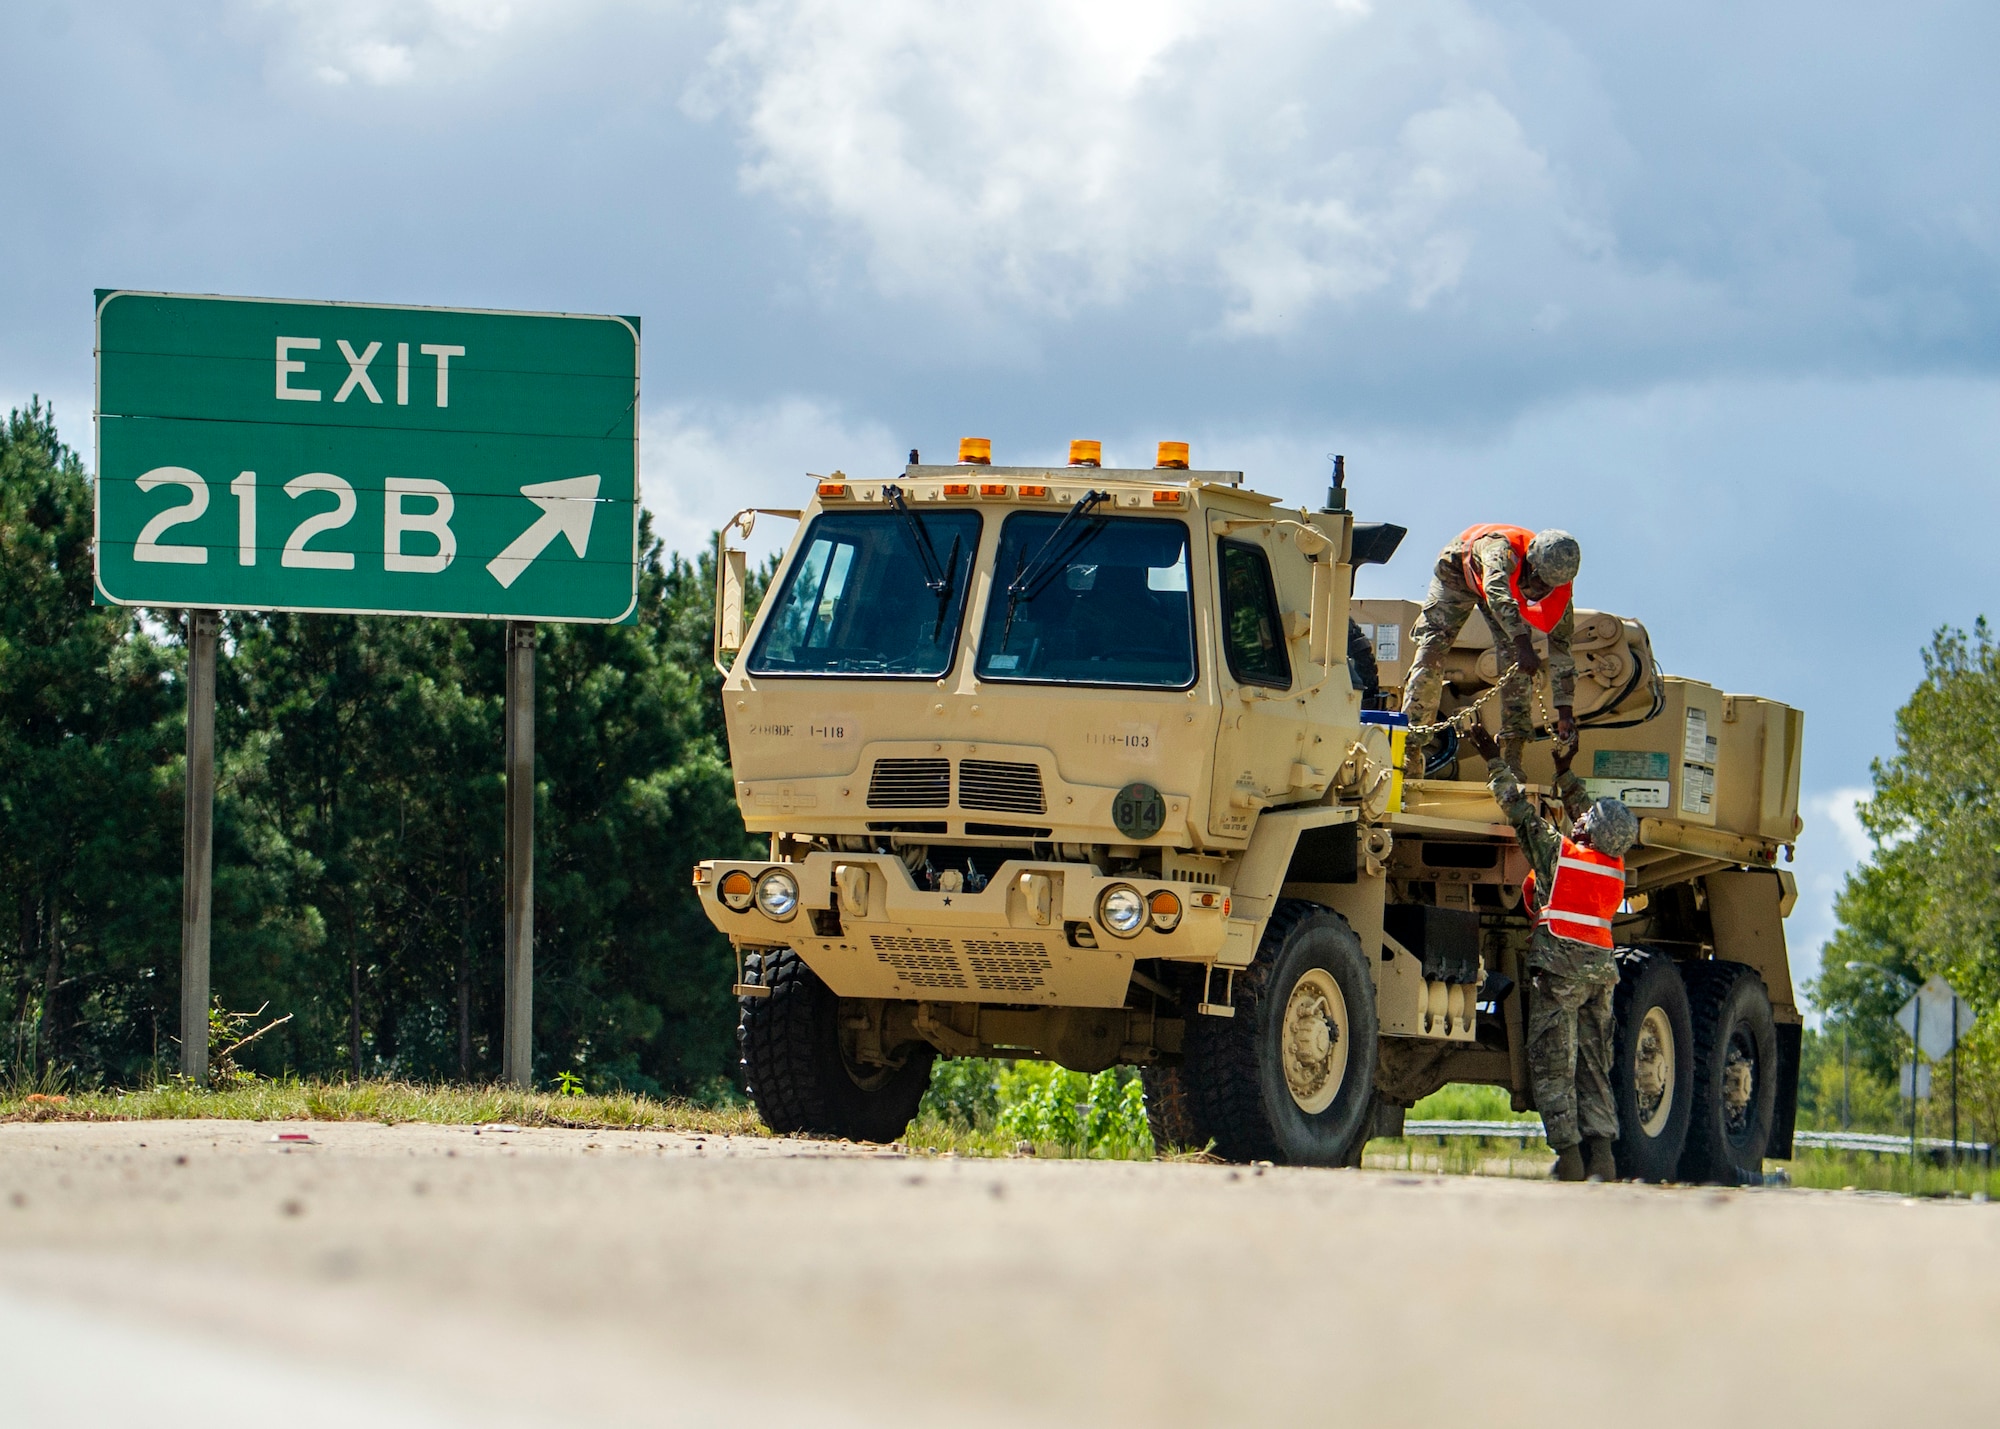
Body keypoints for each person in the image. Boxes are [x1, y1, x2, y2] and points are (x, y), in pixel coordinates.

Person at [1466, 718, 1637, 1183]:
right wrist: (1565, 772)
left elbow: (1518, 809)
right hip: (1599, 976)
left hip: (1559, 973)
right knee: (1594, 1064)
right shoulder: (1614, 863)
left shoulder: (1558, 854)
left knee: (1553, 1064)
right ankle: (1602, 1157)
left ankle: (1571, 1160)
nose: (1578, 816)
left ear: (1588, 831)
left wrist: (1492, 758)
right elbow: (1591, 816)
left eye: (1584, 818)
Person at [1403, 525, 1581, 782]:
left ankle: (1512, 759)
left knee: (1517, 664)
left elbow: (1562, 646)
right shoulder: (1500, 550)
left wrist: (1565, 711)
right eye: (1539, 582)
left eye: (1548, 586)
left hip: (1503, 589)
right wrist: (1522, 643)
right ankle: (1411, 747)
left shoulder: (1559, 579)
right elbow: (1497, 594)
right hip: (1459, 571)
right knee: (1432, 651)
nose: (1542, 591)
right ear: (1530, 563)